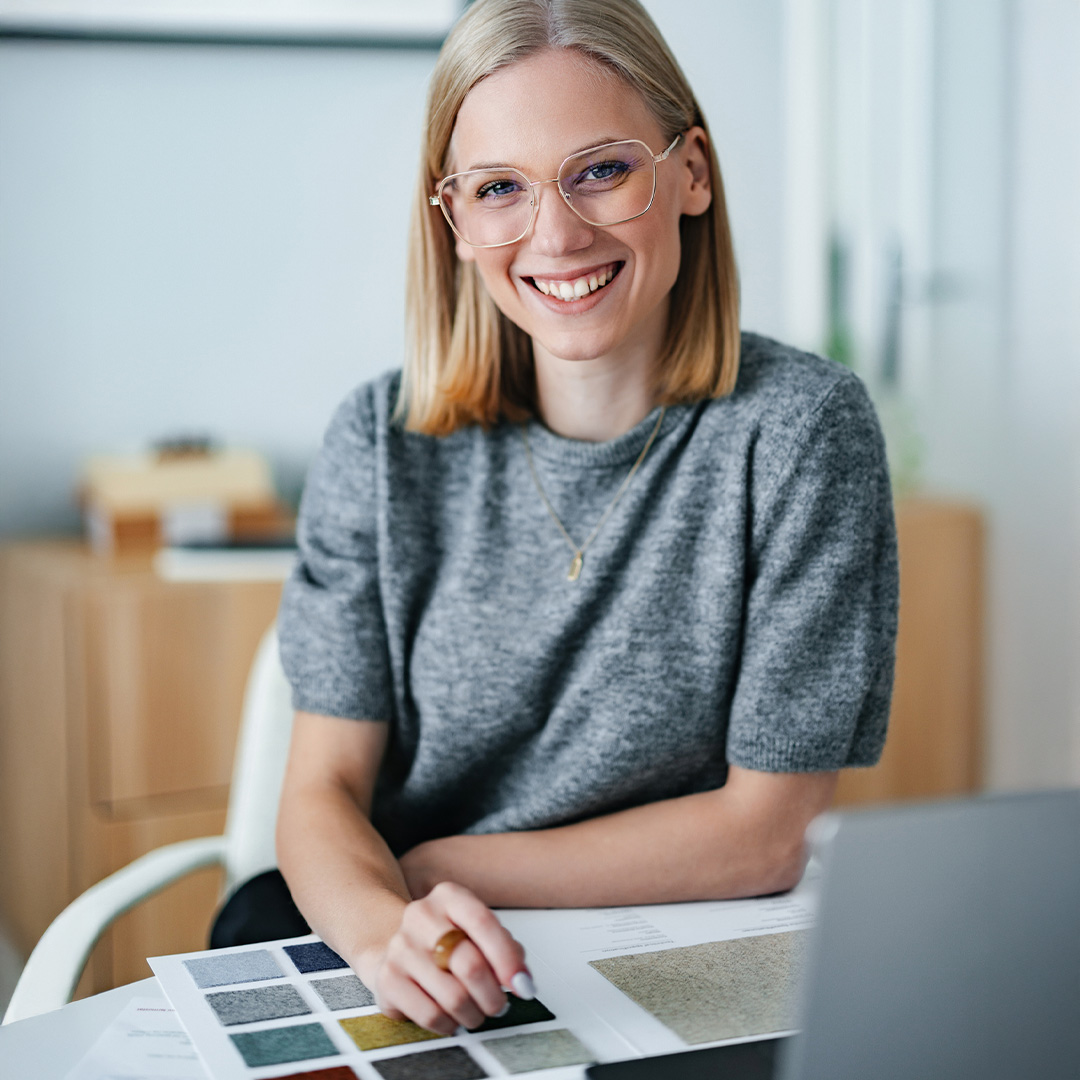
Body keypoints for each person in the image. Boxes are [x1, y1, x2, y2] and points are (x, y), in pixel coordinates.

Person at [273, 0, 898, 1040]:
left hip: (678, 948)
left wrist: (432, 866)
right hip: (411, 940)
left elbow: (767, 834)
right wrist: (389, 926)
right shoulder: (378, 445)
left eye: (601, 169)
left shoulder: (801, 432)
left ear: (690, 172)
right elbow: (322, 790)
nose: (555, 233)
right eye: (500, 189)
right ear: (456, 223)